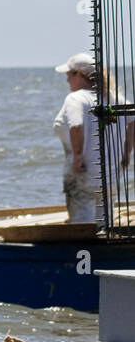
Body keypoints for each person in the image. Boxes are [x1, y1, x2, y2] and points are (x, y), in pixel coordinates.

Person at [53, 53, 102, 225]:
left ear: (80, 75)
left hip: (82, 173)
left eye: (70, 74)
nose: (67, 79)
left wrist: (78, 157)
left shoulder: (75, 98)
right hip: (107, 174)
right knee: (104, 224)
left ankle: (82, 252)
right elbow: (131, 121)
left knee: (82, 223)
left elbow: (76, 126)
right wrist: (125, 155)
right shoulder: (109, 96)